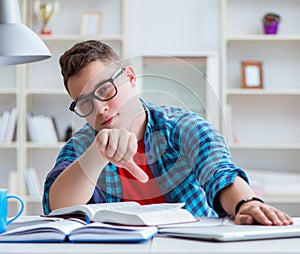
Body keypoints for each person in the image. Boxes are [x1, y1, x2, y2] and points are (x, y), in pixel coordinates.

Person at [43, 40, 292, 226]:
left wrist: (245, 204)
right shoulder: (80, 146)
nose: (99, 108)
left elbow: (220, 173)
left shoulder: (184, 127)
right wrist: (97, 155)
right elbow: (57, 206)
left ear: (130, 78)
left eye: (105, 90)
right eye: (84, 102)